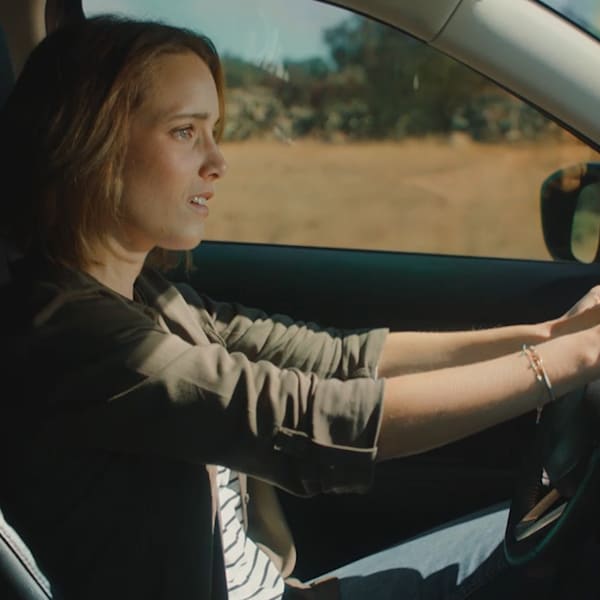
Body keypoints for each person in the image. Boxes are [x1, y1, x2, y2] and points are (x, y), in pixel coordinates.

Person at [1, 12, 600, 600]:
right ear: (90, 143)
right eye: (185, 132)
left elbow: (339, 359)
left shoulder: (150, 299)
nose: (218, 162)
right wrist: (573, 360)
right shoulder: (69, 339)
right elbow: (313, 417)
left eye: (214, 131)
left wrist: (552, 335)